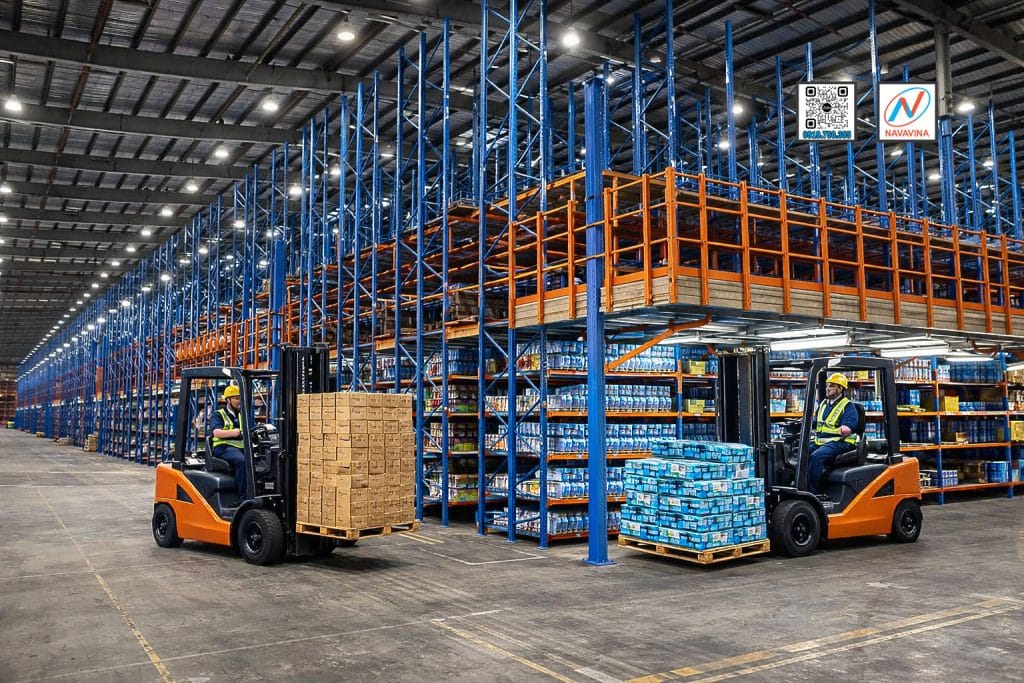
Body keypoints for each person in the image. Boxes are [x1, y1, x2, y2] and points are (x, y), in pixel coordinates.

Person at [807, 372, 859, 494]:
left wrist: (844, 428)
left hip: (841, 442)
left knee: (816, 457)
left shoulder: (848, 406)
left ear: (840, 389)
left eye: (832, 386)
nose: (828, 389)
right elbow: (816, 422)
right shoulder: (824, 404)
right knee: (800, 452)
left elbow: (848, 428)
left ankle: (813, 492)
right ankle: (801, 485)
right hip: (822, 442)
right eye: (827, 386)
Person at [210, 384, 249, 500]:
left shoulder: (242, 415)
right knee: (242, 461)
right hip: (222, 447)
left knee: (261, 460)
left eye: (240, 398)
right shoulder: (218, 414)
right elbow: (216, 433)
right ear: (228, 400)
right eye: (236, 398)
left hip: (239, 447)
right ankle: (244, 498)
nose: (239, 401)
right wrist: (235, 432)